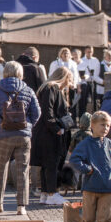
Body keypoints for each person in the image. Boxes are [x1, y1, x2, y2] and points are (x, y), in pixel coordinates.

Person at [0, 61, 41, 216]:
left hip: (3, 134)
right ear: (20, 73)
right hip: (23, 135)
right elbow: (37, 113)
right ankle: (21, 206)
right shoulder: (28, 89)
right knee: (23, 170)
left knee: (1, 168)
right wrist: (28, 126)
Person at [32, 66, 74, 206]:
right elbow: (48, 111)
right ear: (64, 77)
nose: (70, 82)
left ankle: (45, 193)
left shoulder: (48, 88)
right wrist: (56, 128)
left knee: (46, 165)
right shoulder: (52, 88)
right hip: (49, 134)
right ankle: (52, 193)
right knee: (51, 164)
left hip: (44, 132)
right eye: (69, 79)